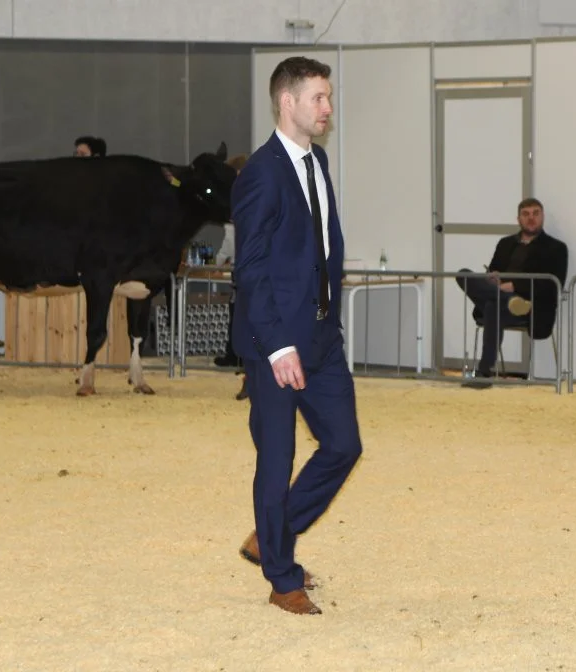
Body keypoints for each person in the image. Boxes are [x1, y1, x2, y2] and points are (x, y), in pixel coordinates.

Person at [230, 56, 362, 615]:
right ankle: (282, 578)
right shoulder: (260, 173)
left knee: (344, 445)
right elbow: (251, 268)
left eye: (328, 97)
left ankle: (272, 534)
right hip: (275, 342)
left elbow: (320, 249)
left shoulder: (319, 161)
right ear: (287, 102)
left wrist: (325, 324)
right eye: (318, 98)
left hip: (321, 337)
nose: (327, 108)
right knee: (277, 456)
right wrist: (279, 345)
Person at [455, 198, 568, 382]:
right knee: (463, 274)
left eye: (535, 213)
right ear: (518, 219)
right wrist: (493, 278)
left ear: (543, 216)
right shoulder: (505, 243)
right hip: (506, 301)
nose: (531, 218)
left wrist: (515, 286)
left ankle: (484, 372)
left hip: (531, 307)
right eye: (526, 214)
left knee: (492, 305)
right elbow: (492, 271)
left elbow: (553, 285)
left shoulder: (556, 248)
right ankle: (508, 300)